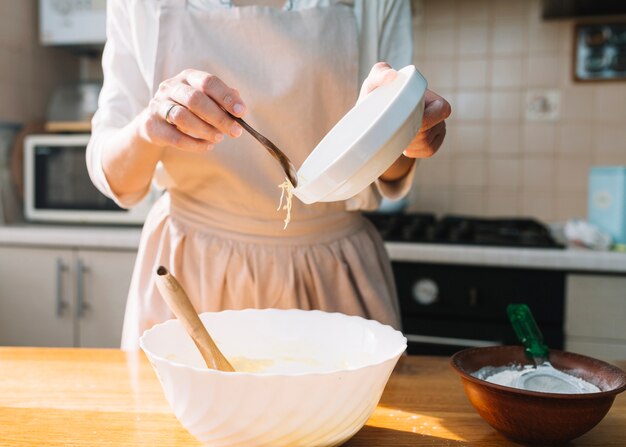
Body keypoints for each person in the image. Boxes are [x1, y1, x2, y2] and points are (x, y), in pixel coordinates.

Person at [87, 0, 451, 350]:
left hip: (329, 277)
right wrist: (148, 127)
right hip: (191, 272)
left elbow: (390, 172)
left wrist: (402, 129)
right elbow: (117, 180)